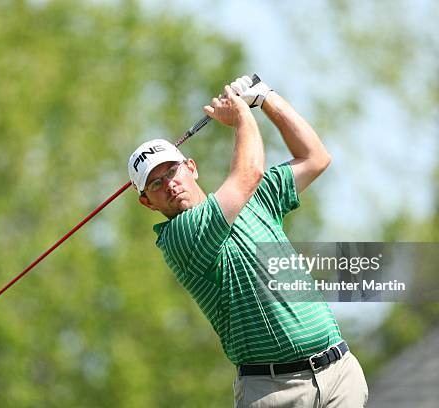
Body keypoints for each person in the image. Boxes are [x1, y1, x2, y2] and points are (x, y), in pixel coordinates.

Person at [127, 76, 368, 407]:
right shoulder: (181, 237)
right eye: (155, 183)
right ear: (147, 203)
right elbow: (249, 172)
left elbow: (315, 157)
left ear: (191, 168)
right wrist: (242, 114)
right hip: (272, 391)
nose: (169, 184)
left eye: (172, 171)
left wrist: (266, 98)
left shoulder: (255, 200)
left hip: (340, 373)